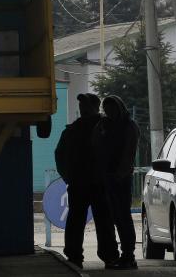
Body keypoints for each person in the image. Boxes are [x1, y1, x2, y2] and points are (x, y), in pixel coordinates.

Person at [55, 93, 119, 269]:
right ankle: (108, 256)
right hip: (92, 183)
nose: (82, 108)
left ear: (94, 107)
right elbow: (60, 155)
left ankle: (77, 256)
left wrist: (68, 176)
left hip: (86, 183)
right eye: (81, 104)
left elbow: (59, 155)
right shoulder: (103, 128)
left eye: (85, 104)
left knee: (83, 220)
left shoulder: (76, 130)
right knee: (101, 220)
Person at [93, 95, 140, 270]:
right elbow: (96, 146)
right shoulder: (104, 125)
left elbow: (129, 151)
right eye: (107, 108)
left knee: (122, 217)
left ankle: (128, 255)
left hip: (120, 178)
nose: (110, 112)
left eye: (112, 108)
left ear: (119, 108)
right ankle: (124, 255)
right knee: (115, 217)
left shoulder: (128, 126)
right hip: (108, 177)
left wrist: (120, 173)